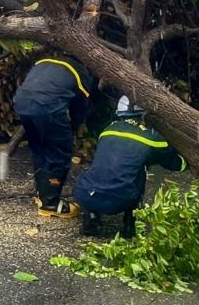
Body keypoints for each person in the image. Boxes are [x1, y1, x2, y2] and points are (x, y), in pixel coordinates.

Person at [74, 96, 186, 238]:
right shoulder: (151, 138)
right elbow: (175, 163)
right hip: (120, 200)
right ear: (145, 115)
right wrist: (187, 162)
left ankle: (92, 216)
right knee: (139, 172)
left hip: (86, 194)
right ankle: (130, 226)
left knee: (96, 169)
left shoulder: (107, 130)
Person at [13, 53, 94, 219]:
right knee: (60, 152)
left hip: (22, 104)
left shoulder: (43, 60)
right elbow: (80, 106)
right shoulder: (80, 72)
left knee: (39, 147)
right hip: (47, 107)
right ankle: (51, 204)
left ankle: (41, 193)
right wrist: (73, 130)